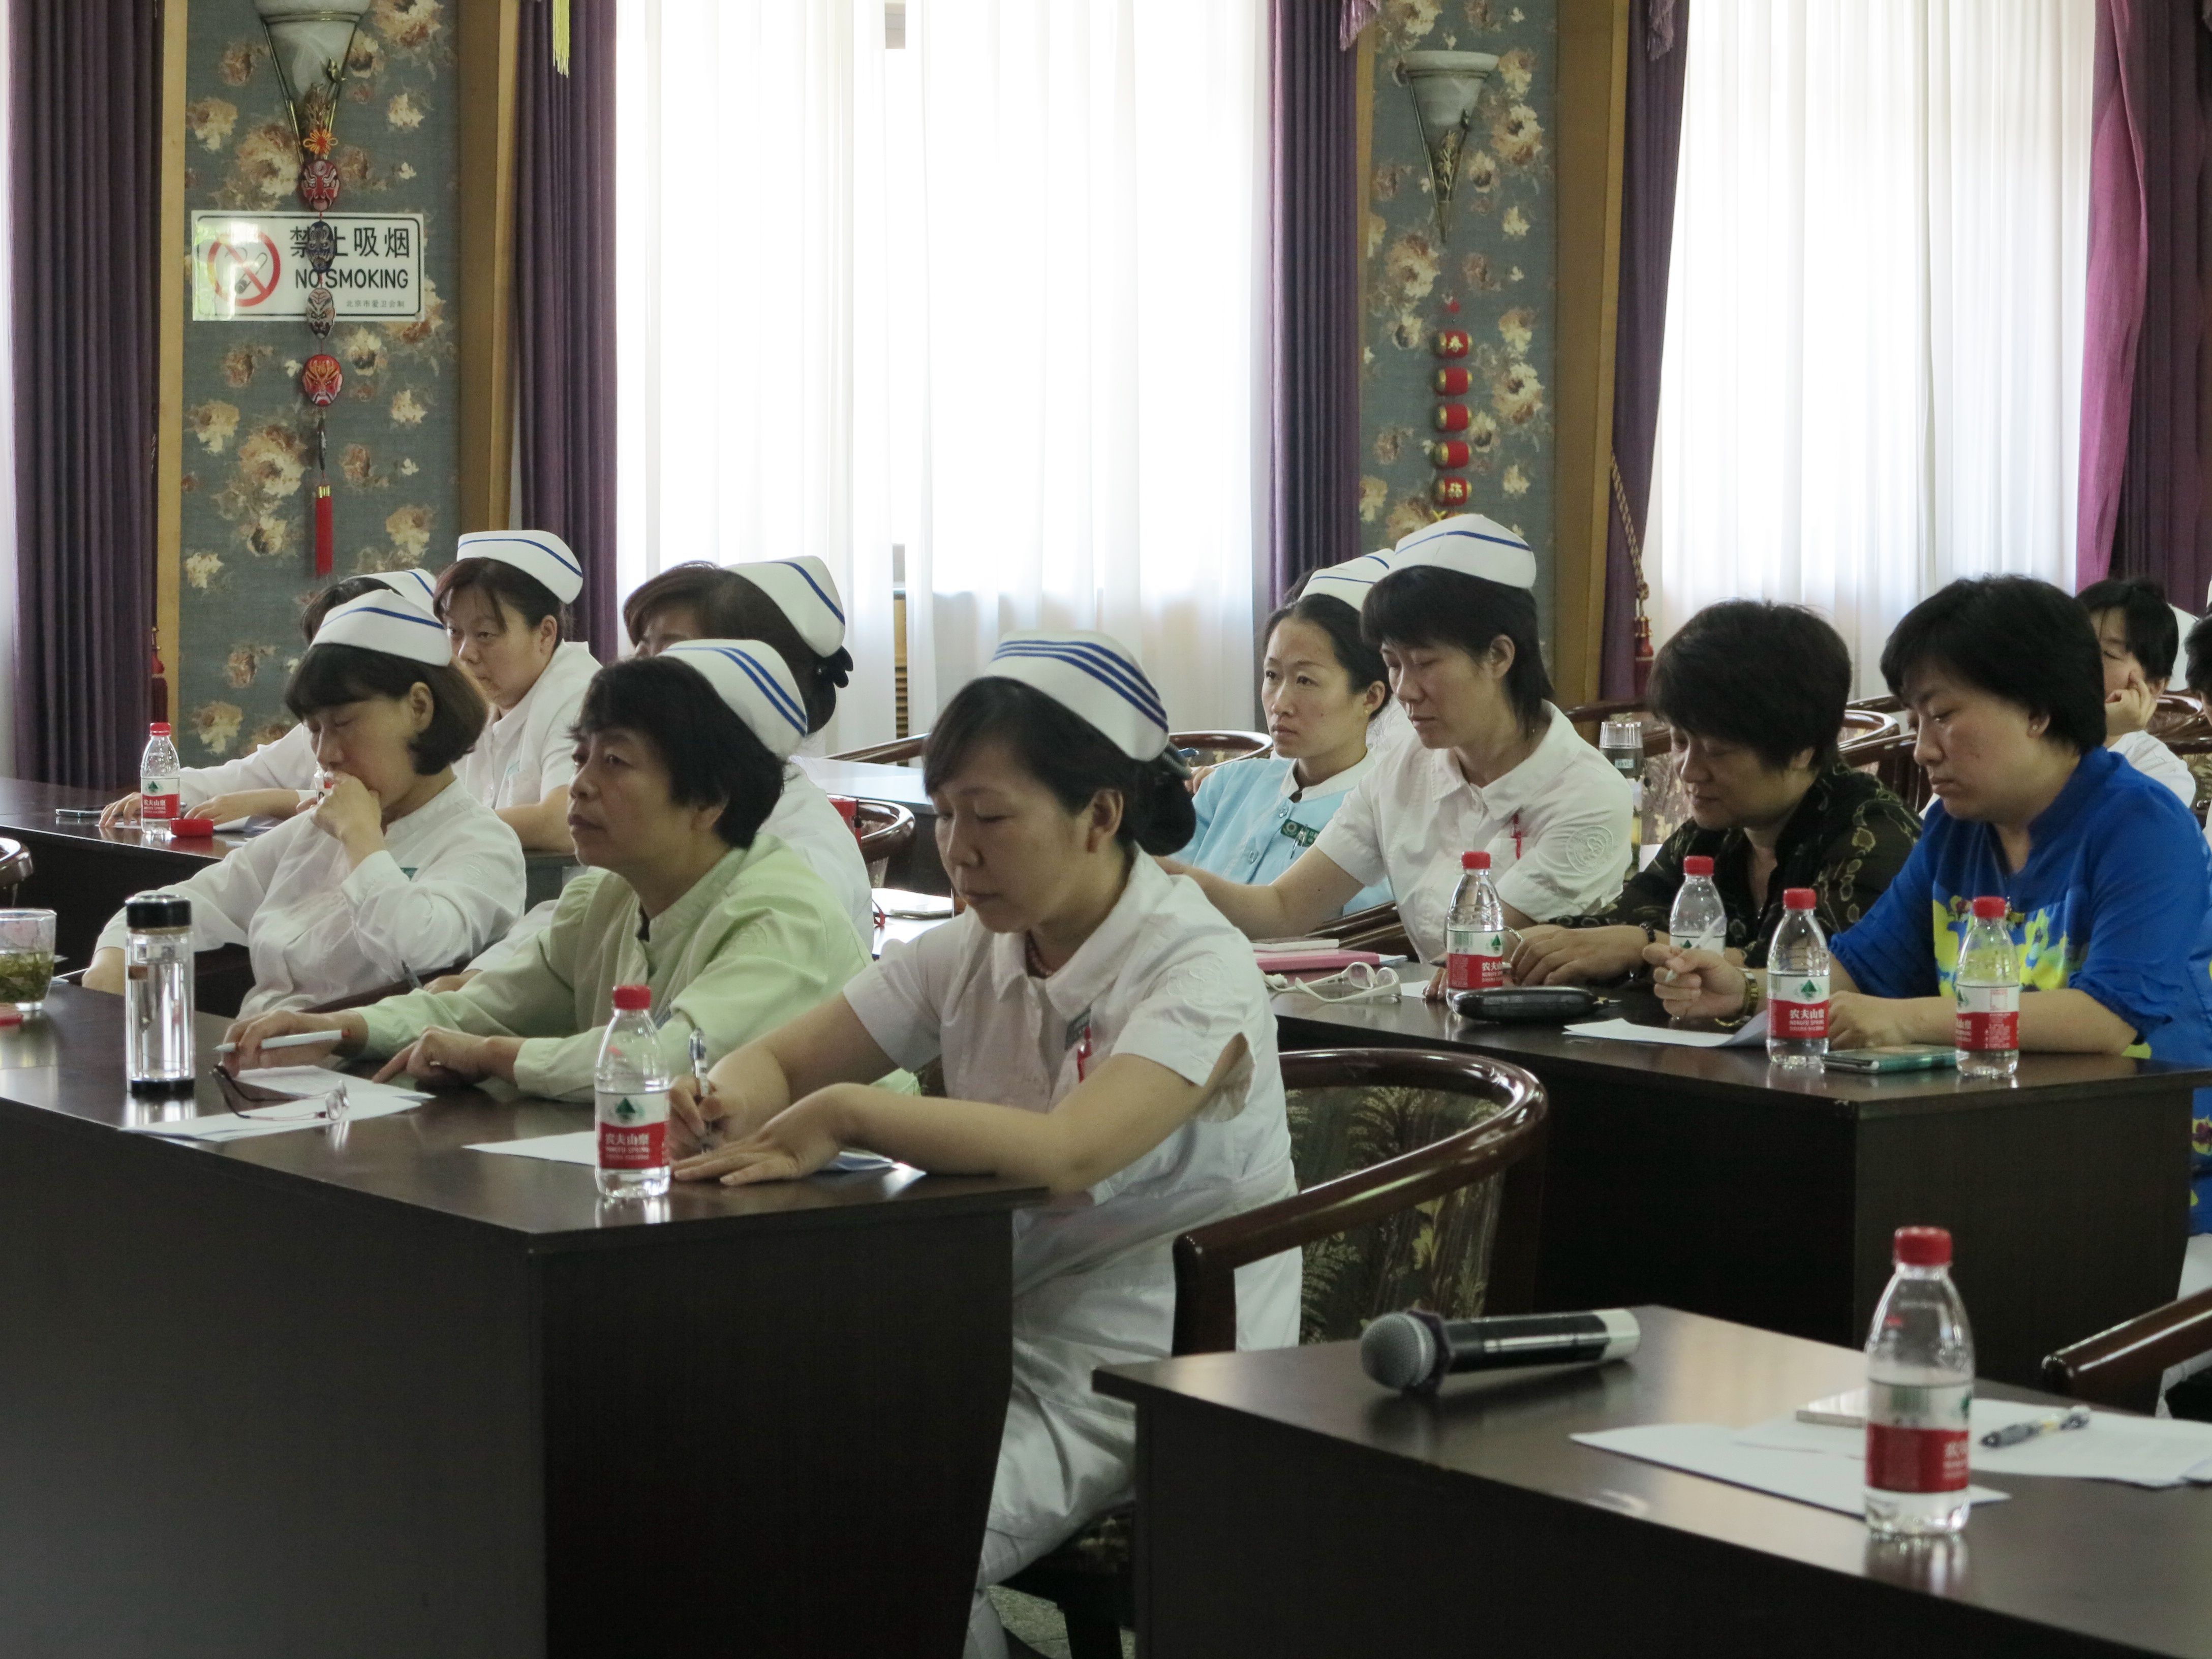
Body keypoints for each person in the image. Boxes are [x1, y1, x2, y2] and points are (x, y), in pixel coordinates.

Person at [663, 629, 1298, 1659]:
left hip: (1150, 1366)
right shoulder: (973, 948)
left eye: (990, 817)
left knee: (884, 1542)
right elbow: (781, 1059)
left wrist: (852, 1114)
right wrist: (725, 1096)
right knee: (740, 1481)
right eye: (945, 814)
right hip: (978, 1332)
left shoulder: (1197, 967)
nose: (956, 850)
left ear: (1100, 814)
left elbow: (1069, 1152)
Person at [1646, 576, 2212, 1252]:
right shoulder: (1956, 826)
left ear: (2037, 710)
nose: (1921, 750)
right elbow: (1860, 968)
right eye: (1915, 723)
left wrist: (1903, 1020)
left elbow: (2105, 1020)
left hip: (2143, 1172)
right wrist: (1747, 989)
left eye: (1942, 716)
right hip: (1993, 1143)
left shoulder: (2142, 826)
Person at [222, 641, 873, 1099]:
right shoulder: (607, 899)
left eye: (615, 763)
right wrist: (340, 1029)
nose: (580, 786)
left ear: (709, 799)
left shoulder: (780, 916)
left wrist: (496, 1057)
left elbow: (662, 1061)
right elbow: (486, 1006)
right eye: (581, 756)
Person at [1169, 514, 1631, 993]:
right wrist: (1155, 876)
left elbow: (1478, 954)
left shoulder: (1586, 795)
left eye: (1425, 663)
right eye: (1393, 664)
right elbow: (1283, 908)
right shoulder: (1404, 767)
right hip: (1435, 1018)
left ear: (1498, 655)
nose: (1404, 690)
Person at [82, 591, 525, 1018]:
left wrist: (362, 839)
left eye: (343, 724)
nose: (326, 754)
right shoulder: (313, 833)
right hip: (255, 1050)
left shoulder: (482, 844)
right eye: (314, 730)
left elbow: (412, 949)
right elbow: (190, 901)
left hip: (362, 1062)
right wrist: (114, 957)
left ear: (419, 708)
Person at [1511, 601, 1920, 985]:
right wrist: (1529, 945)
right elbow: (1626, 919)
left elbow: (1811, 976)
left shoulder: (1873, 838)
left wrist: (1643, 947)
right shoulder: (1714, 834)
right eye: (1679, 741)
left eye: (1718, 751)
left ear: (1802, 750)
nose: (1689, 770)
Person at [620, 556, 872, 942]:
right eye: (640, 654)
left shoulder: (804, 860)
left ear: (759, 679)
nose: (637, 681)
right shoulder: (663, 813)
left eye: (672, 655)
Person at [97, 567, 442, 829]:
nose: (326, 752)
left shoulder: (435, 739)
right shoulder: (319, 731)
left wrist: (269, 801)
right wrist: (170, 791)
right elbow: (245, 775)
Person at [1175, 579, 1393, 912]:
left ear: (1370, 697)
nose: (1279, 704)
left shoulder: (1382, 818)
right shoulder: (1227, 785)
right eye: (1272, 675)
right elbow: (1159, 896)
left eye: (1305, 680)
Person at [439, 531, 602, 853]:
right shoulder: (479, 699)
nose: (465, 653)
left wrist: (438, 830)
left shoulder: (581, 694)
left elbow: (564, 821)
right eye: (454, 632)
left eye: (485, 634)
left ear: (545, 634)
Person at [2079, 575, 2194, 806]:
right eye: (2076, 644)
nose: (2080, 660)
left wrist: (2099, 734)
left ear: (2154, 686)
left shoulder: (2162, 775)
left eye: (2108, 654)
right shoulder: (2027, 723)